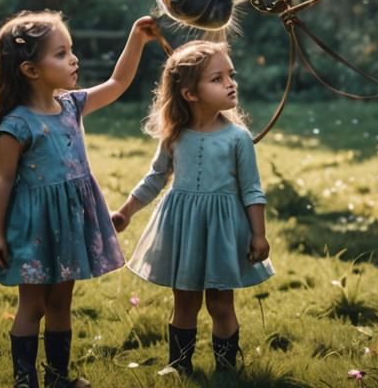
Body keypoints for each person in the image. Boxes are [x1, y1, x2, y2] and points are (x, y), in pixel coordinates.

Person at [0, 10, 160, 387]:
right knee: (33, 305)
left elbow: (118, 81)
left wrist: (137, 38)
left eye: (71, 50)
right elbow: (2, 181)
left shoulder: (72, 106)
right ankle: (24, 381)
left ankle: (58, 378)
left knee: (62, 302)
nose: (73, 59)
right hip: (34, 229)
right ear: (30, 70)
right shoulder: (15, 125)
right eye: (60, 54)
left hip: (70, 225)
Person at [112, 41, 273, 374]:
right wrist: (126, 211)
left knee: (219, 302)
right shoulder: (174, 136)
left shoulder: (237, 138)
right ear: (190, 94)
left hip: (222, 232)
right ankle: (179, 366)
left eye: (231, 75)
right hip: (183, 229)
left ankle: (226, 370)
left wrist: (259, 235)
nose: (231, 83)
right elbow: (155, 178)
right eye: (217, 79)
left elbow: (252, 190)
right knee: (184, 300)